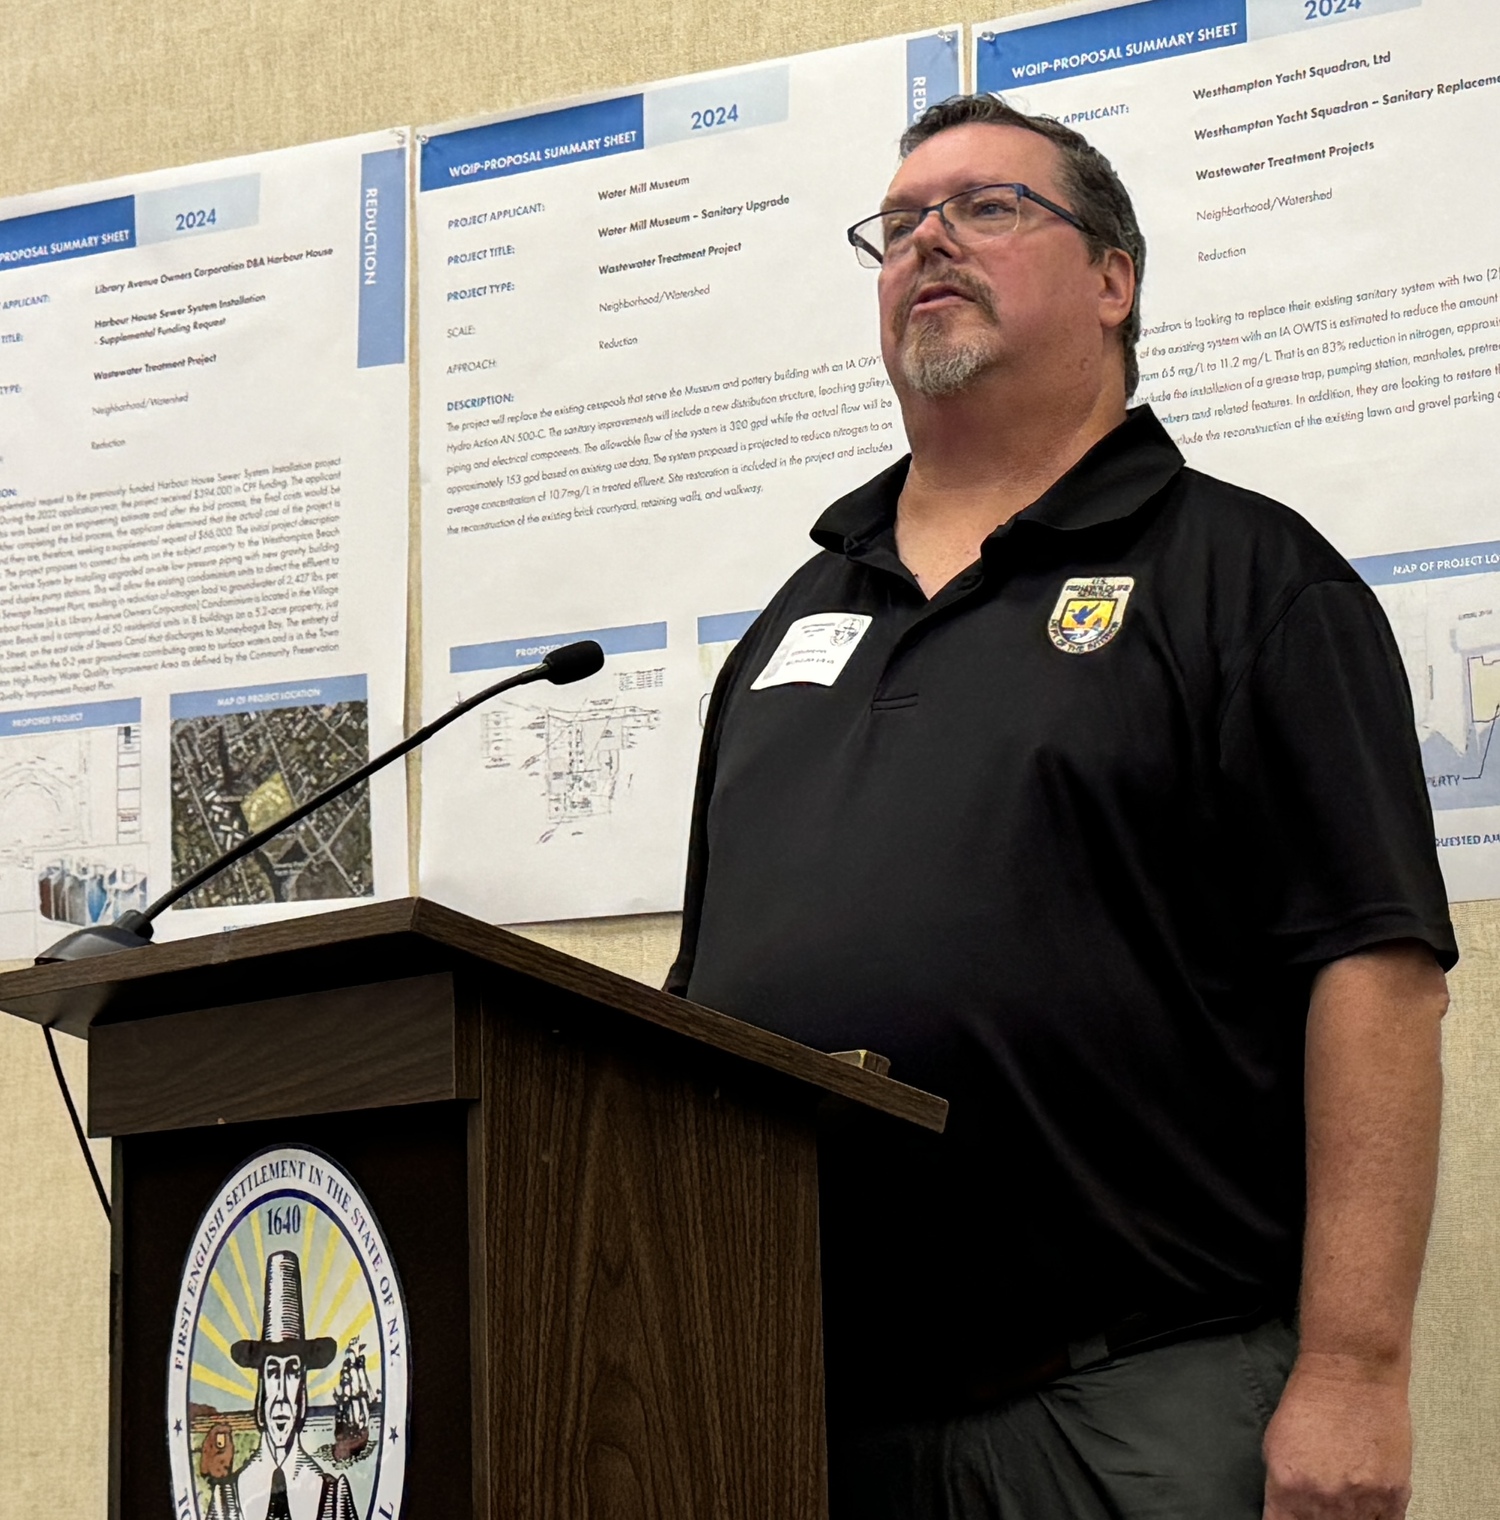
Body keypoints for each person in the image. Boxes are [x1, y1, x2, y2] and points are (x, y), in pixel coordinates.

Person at [667, 94, 1455, 1520]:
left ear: (1114, 279)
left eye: (986, 207)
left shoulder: (1250, 580)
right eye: (900, 224)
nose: (929, 243)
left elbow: (1377, 975)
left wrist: (1356, 1366)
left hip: (1130, 1407)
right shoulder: (787, 631)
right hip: (805, 1405)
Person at [206, 1249, 357, 1520]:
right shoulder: (225, 1502)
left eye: (292, 1373)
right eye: (274, 1372)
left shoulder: (334, 1499)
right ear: (262, 1385)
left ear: (302, 1388)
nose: (282, 1398)